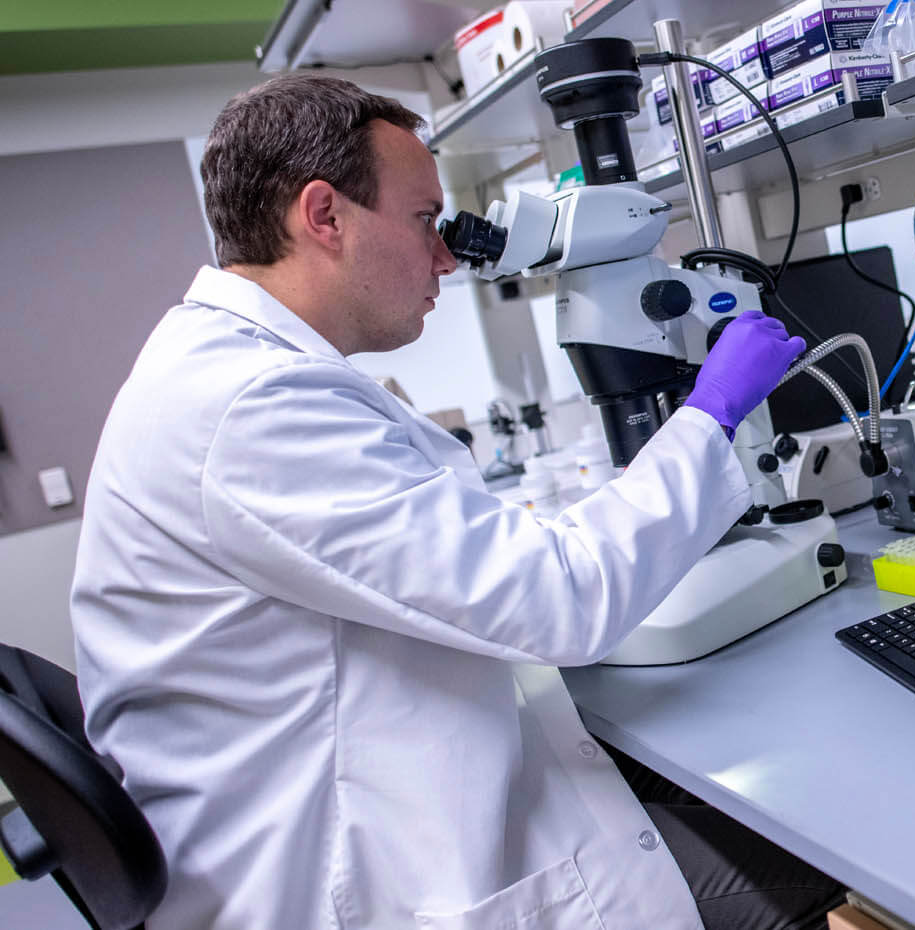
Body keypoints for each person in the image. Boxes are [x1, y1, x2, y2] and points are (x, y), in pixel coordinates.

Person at [70, 74, 844, 930]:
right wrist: (710, 415)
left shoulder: (228, 370)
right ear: (323, 216)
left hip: (350, 813)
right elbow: (562, 601)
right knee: (817, 835)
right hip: (348, 886)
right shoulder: (251, 408)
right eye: (423, 221)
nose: (443, 256)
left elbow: (466, 560)